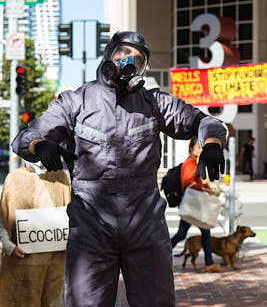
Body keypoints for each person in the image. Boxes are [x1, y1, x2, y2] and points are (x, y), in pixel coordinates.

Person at [12, 31, 227, 307]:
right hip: (91, 230)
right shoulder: (75, 102)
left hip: (145, 228)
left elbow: (201, 121)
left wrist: (210, 142)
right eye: (124, 54)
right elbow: (24, 138)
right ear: (108, 56)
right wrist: (40, 145)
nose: (130, 62)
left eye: (138, 60)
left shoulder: (154, 104)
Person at [0, 161, 71, 307]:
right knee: (21, 299)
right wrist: (8, 245)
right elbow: (2, 217)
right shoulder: (13, 179)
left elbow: (71, 213)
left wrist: (69, 239)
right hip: (21, 263)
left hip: (54, 264)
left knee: (52, 300)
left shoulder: (61, 177)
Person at [171, 137, 225, 273]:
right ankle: (160, 255)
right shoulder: (190, 163)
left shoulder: (194, 163)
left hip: (194, 204)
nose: (200, 150)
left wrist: (208, 188)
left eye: (201, 148)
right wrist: (206, 189)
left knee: (205, 232)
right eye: (198, 147)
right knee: (181, 234)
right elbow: (190, 182)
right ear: (191, 148)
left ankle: (209, 263)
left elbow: (198, 182)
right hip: (191, 203)